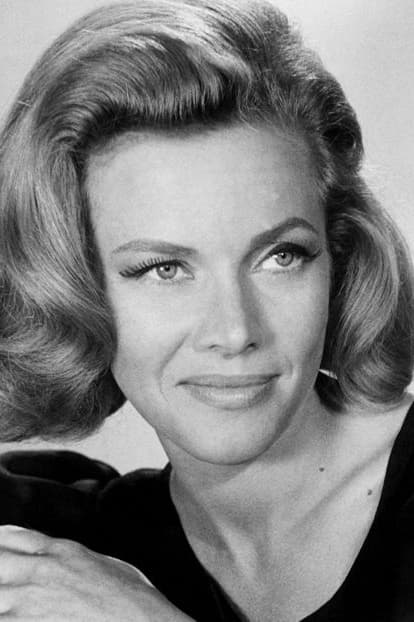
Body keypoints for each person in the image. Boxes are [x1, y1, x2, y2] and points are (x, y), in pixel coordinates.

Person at [0, 0, 413, 620]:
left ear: (339, 256)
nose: (235, 331)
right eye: (164, 268)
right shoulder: (64, 546)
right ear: (71, 285)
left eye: (280, 256)